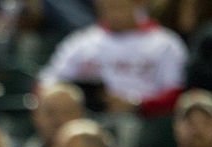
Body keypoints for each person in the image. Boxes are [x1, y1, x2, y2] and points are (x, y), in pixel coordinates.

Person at [37, 0, 187, 118]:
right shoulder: (82, 43)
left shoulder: (166, 43)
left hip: (143, 121)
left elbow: (177, 95)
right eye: (107, 4)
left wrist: (136, 105)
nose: (113, 11)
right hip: (89, 118)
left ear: (138, 2)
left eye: (119, 5)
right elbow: (45, 84)